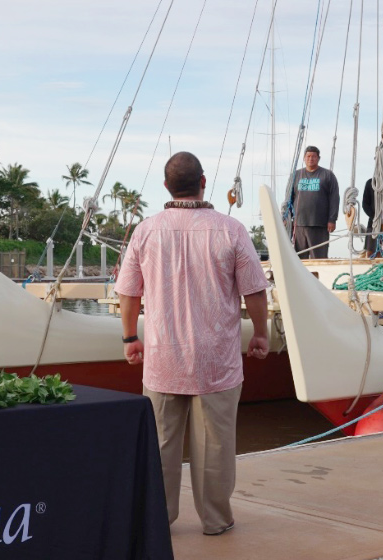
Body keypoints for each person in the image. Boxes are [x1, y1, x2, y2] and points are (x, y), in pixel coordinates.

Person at [115, 151, 269, 536]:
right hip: (216, 362)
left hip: (163, 360)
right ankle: (216, 520)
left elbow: (129, 291)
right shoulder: (230, 230)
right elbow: (254, 290)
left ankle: (159, 519)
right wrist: (262, 334)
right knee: (215, 447)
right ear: (203, 181)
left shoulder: (146, 230)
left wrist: (131, 337)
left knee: (162, 445)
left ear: (166, 187)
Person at [288, 145, 340, 258]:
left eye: (314, 156)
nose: (311, 159)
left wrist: (332, 219)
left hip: (319, 224)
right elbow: (289, 198)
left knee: (319, 257)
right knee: (299, 258)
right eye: (308, 156)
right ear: (304, 158)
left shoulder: (328, 175)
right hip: (299, 224)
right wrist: (286, 217)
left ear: (318, 158)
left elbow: (334, 198)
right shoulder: (296, 175)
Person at [362, 178, 376, 256]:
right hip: (373, 223)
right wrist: (375, 217)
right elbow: (365, 204)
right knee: (370, 252)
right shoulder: (370, 183)